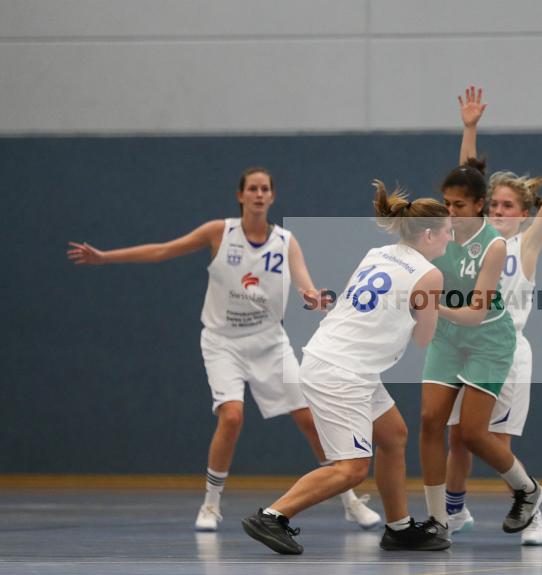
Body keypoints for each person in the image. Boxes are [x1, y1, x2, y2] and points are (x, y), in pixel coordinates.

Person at [67, 167, 381, 532]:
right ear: (241, 195)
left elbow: (305, 288)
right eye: (253, 188)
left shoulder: (286, 241)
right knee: (231, 417)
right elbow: (164, 250)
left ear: (272, 196)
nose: (259, 194)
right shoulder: (219, 232)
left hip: (269, 341)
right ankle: (211, 504)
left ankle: (349, 501)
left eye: (265, 189)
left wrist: (314, 299)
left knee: (310, 420)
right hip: (223, 342)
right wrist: (107, 257)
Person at [241, 181, 452, 554]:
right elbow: (424, 338)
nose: (450, 240)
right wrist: (441, 311)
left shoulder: (379, 252)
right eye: (449, 232)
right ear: (430, 234)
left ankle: (399, 527)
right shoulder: (430, 275)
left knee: (393, 435)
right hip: (342, 371)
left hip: (343, 361)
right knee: (352, 468)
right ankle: (273, 516)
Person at [443, 87, 542, 546]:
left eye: (508, 207)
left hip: (506, 351)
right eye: (494, 204)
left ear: (523, 215)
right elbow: (465, 181)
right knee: (459, 437)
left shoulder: (526, 245)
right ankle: (454, 512)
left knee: (495, 441)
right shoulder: (473, 237)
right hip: (464, 345)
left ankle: (531, 510)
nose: (499, 210)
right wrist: (470, 128)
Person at [419, 157, 542, 545]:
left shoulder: (495, 245)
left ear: (477, 205)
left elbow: (476, 311)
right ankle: (438, 519)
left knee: (474, 434)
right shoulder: (438, 235)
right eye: (447, 204)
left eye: (459, 205)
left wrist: (429, 305)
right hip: (448, 337)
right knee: (429, 421)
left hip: (488, 339)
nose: (450, 212)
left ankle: (527, 490)